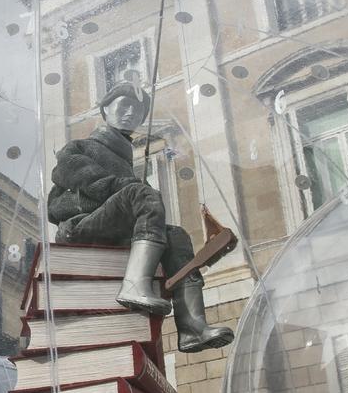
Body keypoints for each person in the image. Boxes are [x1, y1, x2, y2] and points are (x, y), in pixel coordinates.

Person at [47, 81, 233, 352]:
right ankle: (134, 285)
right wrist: (126, 187)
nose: (130, 114)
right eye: (124, 106)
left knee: (177, 235)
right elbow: (70, 175)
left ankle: (192, 326)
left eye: (137, 111)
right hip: (81, 228)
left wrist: (133, 188)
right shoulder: (80, 147)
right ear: (105, 109)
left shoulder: (125, 158)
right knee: (141, 194)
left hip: (114, 229)